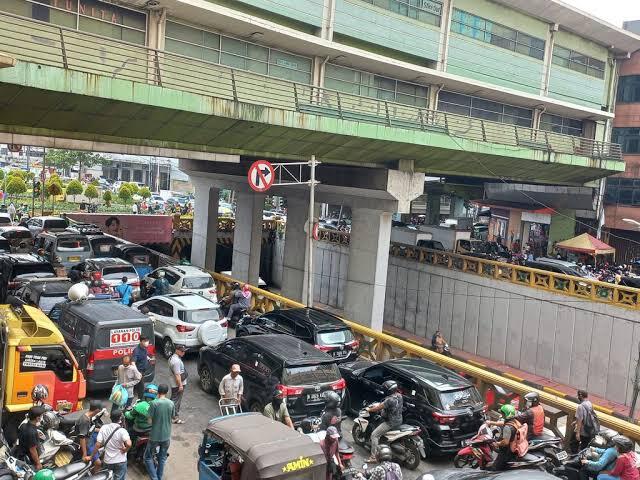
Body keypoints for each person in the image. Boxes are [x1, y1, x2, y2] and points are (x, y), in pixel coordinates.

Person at [365, 380, 403, 463]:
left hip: (390, 422)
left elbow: (378, 408)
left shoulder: (389, 400)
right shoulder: (399, 396)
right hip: (399, 420)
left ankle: (373, 457)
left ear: (388, 390)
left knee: (374, 435)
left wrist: (369, 409)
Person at [144, 384, 175, 480]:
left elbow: (149, 421)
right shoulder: (171, 403)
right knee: (162, 458)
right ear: (167, 392)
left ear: (158, 392)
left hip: (154, 436)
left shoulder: (154, 403)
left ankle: (155, 478)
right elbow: (173, 417)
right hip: (166, 436)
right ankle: (159, 477)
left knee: (147, 457)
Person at [95, 409, 131, 480]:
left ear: (110, 417)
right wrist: (125, 449)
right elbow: (129, 444)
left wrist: (92, 456)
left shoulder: (104, 427)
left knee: (107, 477)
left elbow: (97, 444)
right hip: (120, 461)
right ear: (120, 418)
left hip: (108, 461)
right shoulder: (122, 431)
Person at [491, 404, 526, 471]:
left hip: (506, 451)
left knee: (495, 468)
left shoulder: (508, 428)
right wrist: (492, 422)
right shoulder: (515, 421)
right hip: (513, 446)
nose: (502, 414)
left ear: (506, 414)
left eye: (503, 413)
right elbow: (503, 423)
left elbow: (505, 442)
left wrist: (497, 444)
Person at [14, 405, 45, 470]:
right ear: (37, 418)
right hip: (28, 459)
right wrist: (38, 463)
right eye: (42, 416)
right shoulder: (32, 433)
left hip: (20, 452)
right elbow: (33, 451)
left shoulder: (23, 425)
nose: (42, 417)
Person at [168, 344, 187, 424]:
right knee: (176, 401)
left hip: (175, 383)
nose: (184, 353)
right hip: (177, 384)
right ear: (177, 350)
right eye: (182, 351)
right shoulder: (176, 361)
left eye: (184, 351)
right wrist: (180, 385)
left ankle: (170, 415)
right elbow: (177, 375)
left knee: (174, 399)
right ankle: (174, 417)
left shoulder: (173, 358)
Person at [132, 335, 153, 400]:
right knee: (141, 388)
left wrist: (149, 359)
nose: (147, 342)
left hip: (143, 371)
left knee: (141, 386)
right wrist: (137, 373)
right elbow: (133, 363)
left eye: (147, 341)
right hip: (139, 372)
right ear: (141, 341)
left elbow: (144, 355)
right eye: (145, 341)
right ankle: (141, 401)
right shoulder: (136, 351)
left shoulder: (144, 348)